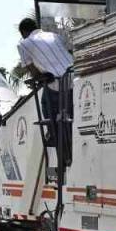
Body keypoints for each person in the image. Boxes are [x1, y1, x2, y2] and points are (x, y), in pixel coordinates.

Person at [17, 17, 73, 145]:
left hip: (57, 83)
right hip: (73, 77)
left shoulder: (24, 44)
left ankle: (53, 134)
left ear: (24, 32)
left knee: (45, 103)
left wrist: (38, 78)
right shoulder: (55, 35)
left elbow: (33, 71)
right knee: (68, 109)